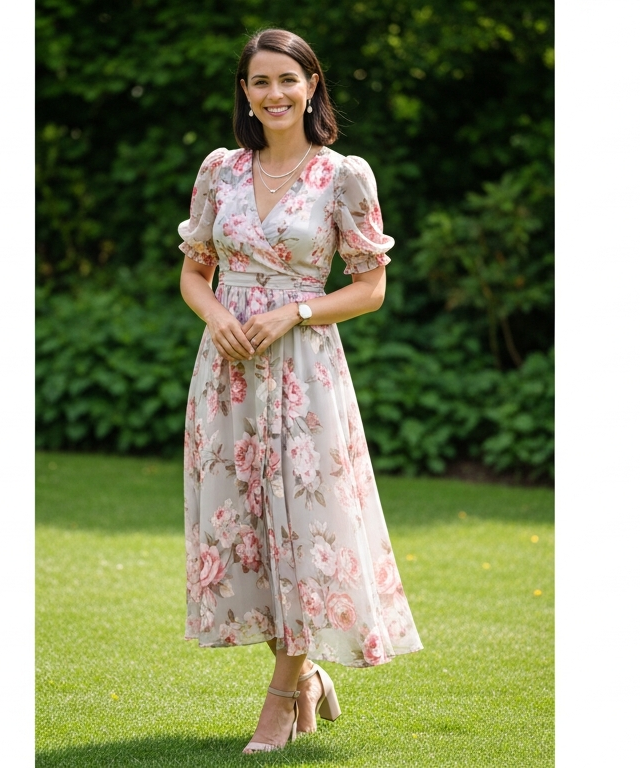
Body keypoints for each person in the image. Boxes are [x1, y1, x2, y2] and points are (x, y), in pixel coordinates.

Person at [177, 28, 423, 755]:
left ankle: (282, 698)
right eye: (260, 82)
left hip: (303, 375)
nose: (274, 94)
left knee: (304, 532)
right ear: (245, 93)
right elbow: (195, 270)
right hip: (225, 376)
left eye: (288, 79)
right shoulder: (220, 171)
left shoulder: (342, 176)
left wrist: (296, 310)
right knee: (246, 531)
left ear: (312, 86)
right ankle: (307, 675)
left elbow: (371, 286)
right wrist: (218, 312)